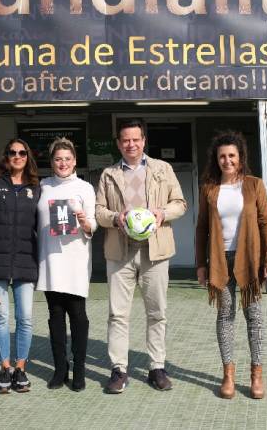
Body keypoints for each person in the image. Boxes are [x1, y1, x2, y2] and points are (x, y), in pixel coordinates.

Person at [95, 118, 187, 393]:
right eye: (125, 140)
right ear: (119, 143)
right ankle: (118, 370)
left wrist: (162, 214)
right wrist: (115, 217)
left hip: (155, 251)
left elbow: (180, 203)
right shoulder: (108, 174)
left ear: (144, 141)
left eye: (136, 139)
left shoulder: (162, 169)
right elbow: (99, 211)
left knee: (157, 312)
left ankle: (156, 367)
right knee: (117, 314)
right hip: (119, 251)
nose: (131, 144)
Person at [195, 131, 267, 400]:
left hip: (249, 259)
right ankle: (228, 375)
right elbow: (202, 228)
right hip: (220, 260)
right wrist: (201, 265)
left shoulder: (254, 185)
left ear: (240, 158)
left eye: (232, 155)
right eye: (222, 156)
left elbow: (265, 223)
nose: (227, 160)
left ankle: (256, 375)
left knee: (254, 316)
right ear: (216, 160)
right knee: (225, 316)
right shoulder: (209, 187)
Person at [0, 138, 41, 394]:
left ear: (28, 157)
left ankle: (21, 368)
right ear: (6, 156)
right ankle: (5, 367)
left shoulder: (36, 187)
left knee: (25, 318)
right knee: (1, 318)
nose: (17, 156)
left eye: (22, 152)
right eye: (12, 152)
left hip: (25, 260)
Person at [36, 138, 96, 392]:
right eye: (58, 159)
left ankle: (79, 369)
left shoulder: (85, 187)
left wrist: (84, 221)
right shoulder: (43, 186)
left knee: (78, 317)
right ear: (52, 162)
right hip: (50, 259)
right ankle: (60, 369)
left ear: (75, 162)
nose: (63, 163)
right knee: (55, 316)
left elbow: (93, 226)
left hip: (75, 260)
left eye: (67, 159)